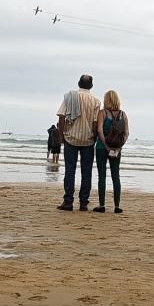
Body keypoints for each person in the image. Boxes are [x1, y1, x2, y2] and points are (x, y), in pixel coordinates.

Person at [56, 75, 101, 211]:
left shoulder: (69, 97)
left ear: (78, 83)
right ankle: (83, 203)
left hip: (71, 137)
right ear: (91, 86)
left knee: (70, 170)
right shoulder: (96, 101)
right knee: (86, 172)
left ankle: (68, 201)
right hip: (88, 139)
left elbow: (61, 117)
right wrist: (93, 137)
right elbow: (94, 122)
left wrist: (61, 135)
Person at [94, 90, 129, 213]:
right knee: (116, 176)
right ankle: (117, 206)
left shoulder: (102, 113)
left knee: (102, 176)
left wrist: (106, 146)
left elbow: (99, 131)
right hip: (116, 149)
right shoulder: (123, 115)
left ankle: (102, 205)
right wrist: (119, 147)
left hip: (101, 148)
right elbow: (126, 133)